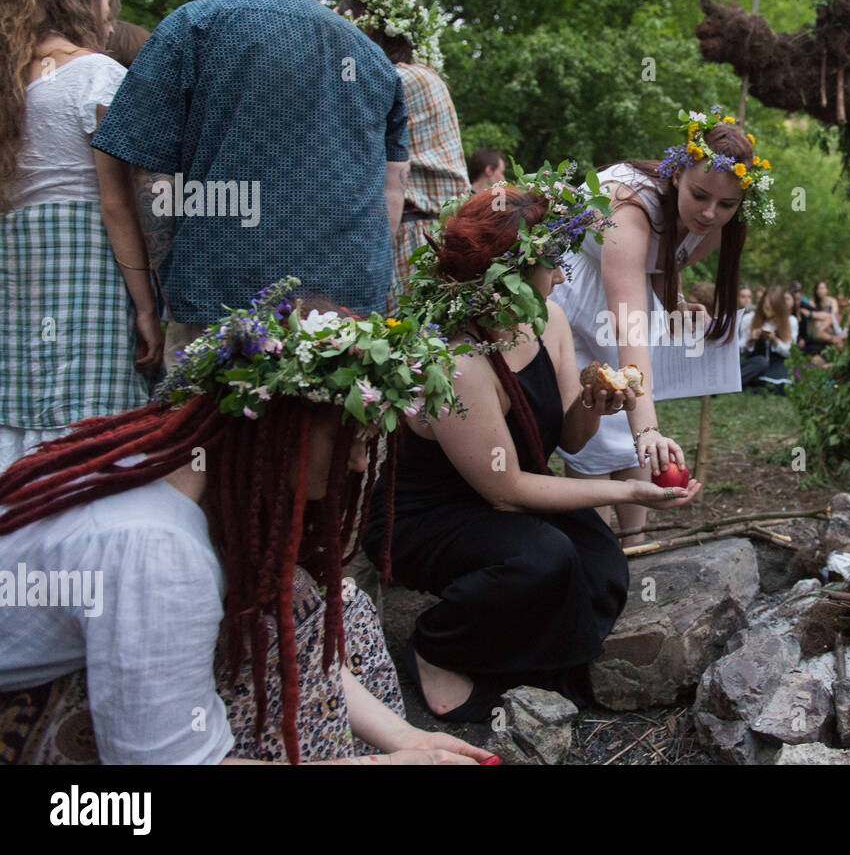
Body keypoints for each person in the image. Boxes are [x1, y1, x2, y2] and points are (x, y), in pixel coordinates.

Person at [0, 279, 493, 764]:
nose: (361, 465)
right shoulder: (159, 551)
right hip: (28, 711)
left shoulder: (183, 466)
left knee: (326, 609)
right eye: (353, 441)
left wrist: (406, 739)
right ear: (284, 431)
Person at [366, 171, 700, 722]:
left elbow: (569, 440)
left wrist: (593, 405)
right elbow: (509, 492)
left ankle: (519, 662)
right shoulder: (459, 359)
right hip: (431, 515)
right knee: (543, 559)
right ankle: (437, 644)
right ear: (511, 275)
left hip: (503, 498)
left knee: (601, 563)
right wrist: (633, 489)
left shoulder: (550, 322)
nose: (562, 271)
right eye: (551, 260)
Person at [90, 0, 410, 364]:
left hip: (215, 296)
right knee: (323, 429)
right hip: (345, 306)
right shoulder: (372, 57)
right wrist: (367, 276)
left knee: (213, 429)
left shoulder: (190, 26)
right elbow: (394, 181)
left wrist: (168, 280)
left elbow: (149, 173)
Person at [551, 106, 774, 534]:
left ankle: (635, 542)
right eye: (700, 196)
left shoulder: (715, 227)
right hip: (572, 304)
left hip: (626, 298)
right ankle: (592, 543)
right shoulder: (630, 205)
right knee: (598, 416)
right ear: (677, 177)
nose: (709, 213)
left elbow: (659, 265)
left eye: (727, 204)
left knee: (629, 431)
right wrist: (648, 428)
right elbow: (629, 326)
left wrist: (673, 300)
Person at [0, 0, 163, 474]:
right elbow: (120, 204)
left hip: (17, 273)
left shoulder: (12, 88)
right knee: (90, 429)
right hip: (88, 274)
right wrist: (147, 307)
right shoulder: (95, 74)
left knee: (18, 416)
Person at [331, 0, 470, 309]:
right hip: (423, 235)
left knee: (403, 347)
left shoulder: (399, 81)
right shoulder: (415, 76)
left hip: (414, 240)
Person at [740, 282, 799, 393]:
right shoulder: (749, 319)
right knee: (760, 363)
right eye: (766, 308)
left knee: (782, 385)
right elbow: (740, 350)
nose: (768, 313)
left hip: (778, 364)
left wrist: (775, 340)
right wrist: (750, 340)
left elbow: (790, 352)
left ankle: (755, 386)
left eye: (772, 309)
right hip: (756, 363)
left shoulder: (790, 321)